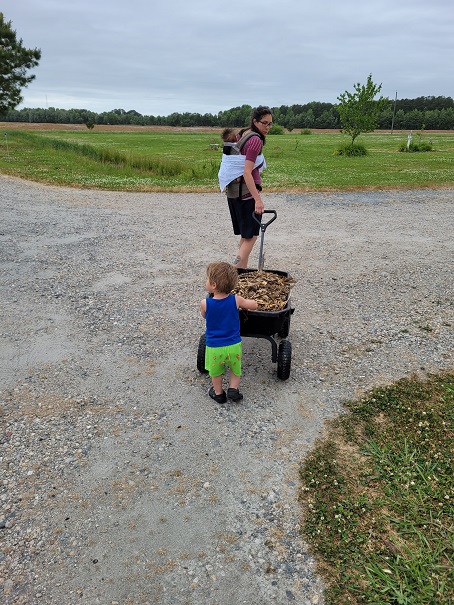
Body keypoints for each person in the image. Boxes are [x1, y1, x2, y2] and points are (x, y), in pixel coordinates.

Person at [218, 106, 273, 268]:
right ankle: (231, 274)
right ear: (255, 121)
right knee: (251, 237)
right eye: (264, 123)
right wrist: (258, 200)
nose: (268, 127)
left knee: (245, 236)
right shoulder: (255, 140)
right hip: (247, 195)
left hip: (234, 193)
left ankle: (240, 273)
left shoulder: (244, 133)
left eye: (270, 124)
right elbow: (247, 172)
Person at [200, 261, 258, 404]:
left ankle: (219, 393)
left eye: (207, 279)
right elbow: (253, 305)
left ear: (213, 285)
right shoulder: (236, 300)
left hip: (214, 347)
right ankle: (233, 389)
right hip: (233, 345)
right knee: (235, 369)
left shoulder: (205, 303)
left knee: (216, 372)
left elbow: (204, 315)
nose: (206, 281)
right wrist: (255, 302)